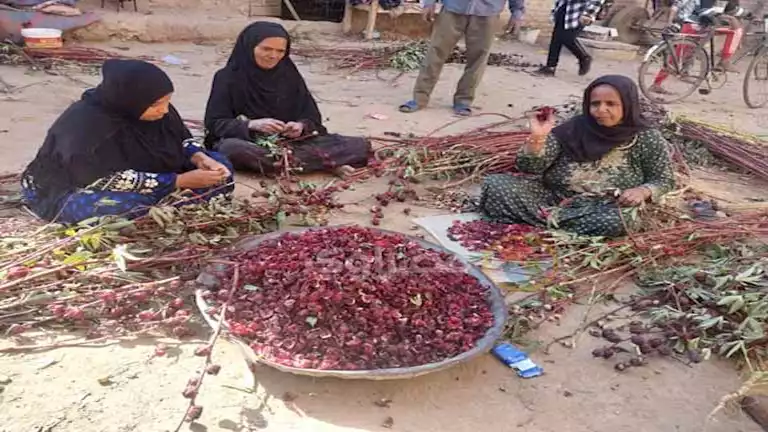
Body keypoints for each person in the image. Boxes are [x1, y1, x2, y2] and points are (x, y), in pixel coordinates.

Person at [20, 59, 234, 224]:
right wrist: (178, 182)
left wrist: (200, 157)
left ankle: (169, 202)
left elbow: (181, 139)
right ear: (131, 100)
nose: (165, 110)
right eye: (157, 104)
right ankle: (169, 202)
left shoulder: (157, 111)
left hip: (154, 174)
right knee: (122, 207)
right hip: (73, 188)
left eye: (167, 101)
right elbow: (98, 178)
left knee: (221, 166)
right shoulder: (85, 126)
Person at [478, 75, 675, 237]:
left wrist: (643, 191)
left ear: (627, 104)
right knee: (496, 185)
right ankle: (558, 226)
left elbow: (663, 179)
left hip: (602, 207)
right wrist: (537, 138)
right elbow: (530, 168)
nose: (601, 110)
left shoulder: (646, 137)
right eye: (595, 104)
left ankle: (538, 225)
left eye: (611, 104)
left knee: (620, 221)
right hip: (552, 198)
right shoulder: (573, 129)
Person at [204, 22, 370, 176]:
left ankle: (292, 163)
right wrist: (253, 125)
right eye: (266, 49)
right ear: (249, 47)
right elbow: (215, 123)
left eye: (280, 51)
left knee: (360, 145)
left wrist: (300, 126)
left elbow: (313, 118)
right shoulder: (227, 77)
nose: (273, 56)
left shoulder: (289, 75)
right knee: (231, 149)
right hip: (250, 143)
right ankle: (323, 163)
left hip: (292, 143)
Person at [397, 0, 505, 116]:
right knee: (435, 52)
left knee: (478, 58)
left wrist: (517, 12)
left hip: (488, 12)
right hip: (453, 8)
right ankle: (419, 98)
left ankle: (464, 100)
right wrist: (429, 3)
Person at [650, 0, 744, 93]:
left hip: (700, 25)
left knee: (685, 53)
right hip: (695, 25)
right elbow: (703, 11)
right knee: (678, 56)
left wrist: (746, 15)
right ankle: (724, 60)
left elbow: (730, 9)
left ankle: (721, 61)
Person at [533, 0, 605, 77]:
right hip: (563, 7)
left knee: (568, 38)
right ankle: (550, 67)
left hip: (579, 11)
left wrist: (588, 14)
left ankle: (584, 57)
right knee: (556, 39)